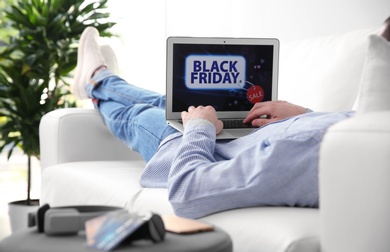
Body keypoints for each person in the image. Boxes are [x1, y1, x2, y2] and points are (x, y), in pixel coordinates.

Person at [72, 18, 390, 219]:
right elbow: (352, 125)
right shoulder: (373, 123)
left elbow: (187, 193)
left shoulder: (304, 151)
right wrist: (305, 115)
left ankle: (96, 82)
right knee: (170, 102)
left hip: (191, 148)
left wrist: (199, 129)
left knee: (138, 114)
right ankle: (103, 79)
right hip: (248, 134)